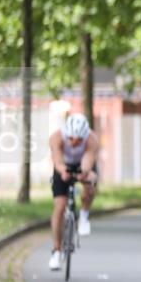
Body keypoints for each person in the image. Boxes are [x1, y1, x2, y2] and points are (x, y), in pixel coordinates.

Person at [48, 113, 100, 270]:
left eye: (78, 140)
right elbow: (57, 161)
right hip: (63, 165)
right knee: (60, 205)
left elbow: (88, 161)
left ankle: (84, 215)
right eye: (71, 139)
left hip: (82, 164)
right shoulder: (56, 137)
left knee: (90, 182)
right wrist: (63, 171)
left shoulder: (92, 139)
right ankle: (56, 251)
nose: (74, 142)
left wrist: (83, 173)